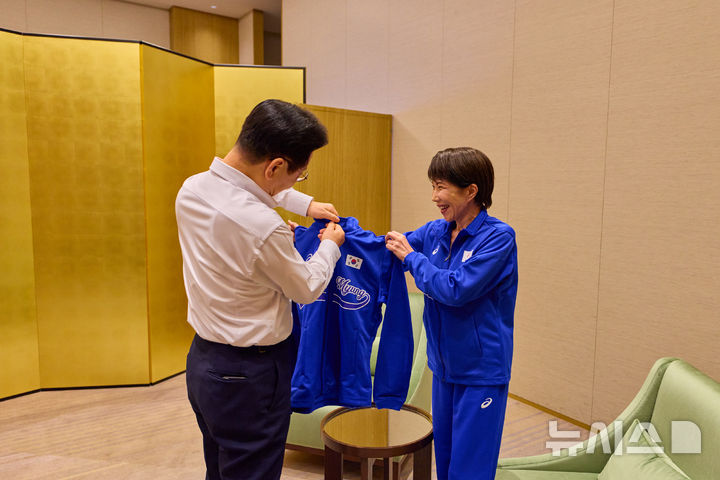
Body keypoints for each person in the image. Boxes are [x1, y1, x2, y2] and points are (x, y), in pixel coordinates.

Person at [175, 99, 345, 480]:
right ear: (275, 166)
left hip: (203, 363)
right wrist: (330, 246)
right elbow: (306, 287)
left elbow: (248, 196)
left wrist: (306, 205)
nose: (292, 185)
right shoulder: (263, 227)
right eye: (297, 177)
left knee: (221, 467)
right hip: (251, 377)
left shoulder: (192, 189)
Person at [385, 147, 518, 480]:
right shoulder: (436, 231)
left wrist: (412, 258)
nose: (434, 197)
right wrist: (332, 239)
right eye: (433, 186)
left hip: (481, 373)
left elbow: (455, 289)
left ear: (471, 191)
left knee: (468, 469)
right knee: (444, 462)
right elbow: (387, 248)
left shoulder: (499, 238)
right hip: (444, 369)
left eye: (441, 187)